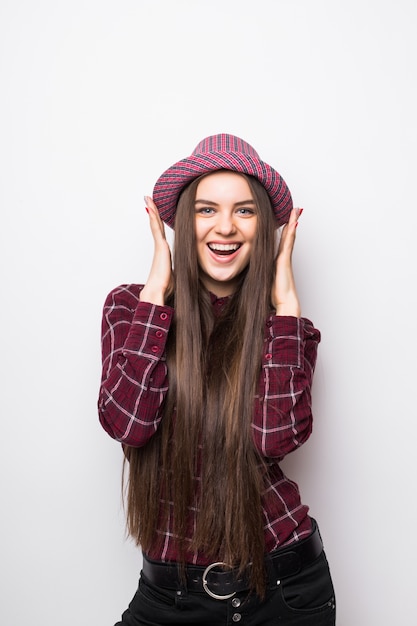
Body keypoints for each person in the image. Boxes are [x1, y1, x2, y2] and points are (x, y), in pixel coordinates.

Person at [98, 134, 336, 625]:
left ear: (264, 228)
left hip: (282, 592)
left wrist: (287, 308)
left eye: (245, 212)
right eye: (207, 210)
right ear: (183, 222)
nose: (225, 227)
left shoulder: (284, 329)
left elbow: (272, 439)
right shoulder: (131, 309)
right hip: (168, 597)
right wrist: (157, 291)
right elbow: (129, 425)